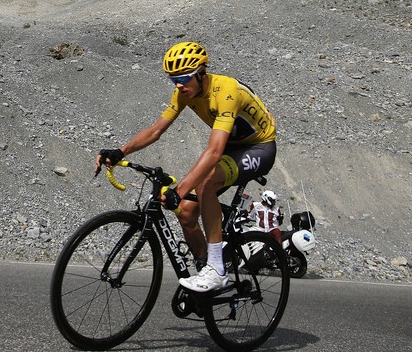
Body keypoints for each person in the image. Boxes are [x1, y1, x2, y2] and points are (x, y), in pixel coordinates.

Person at [95, 41, 277, 292]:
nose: (179, 84)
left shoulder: (226, 91)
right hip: (230, 146)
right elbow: (156, 130)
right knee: (187, 212)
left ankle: (217, 271)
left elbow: (213, 152)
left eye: (184, 78)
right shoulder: (183, 93)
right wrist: (119, 151)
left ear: (202, 73)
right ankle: (206, 267)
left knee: (205, 184)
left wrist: (179, 191)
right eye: (173, 79)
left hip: (259, 147)